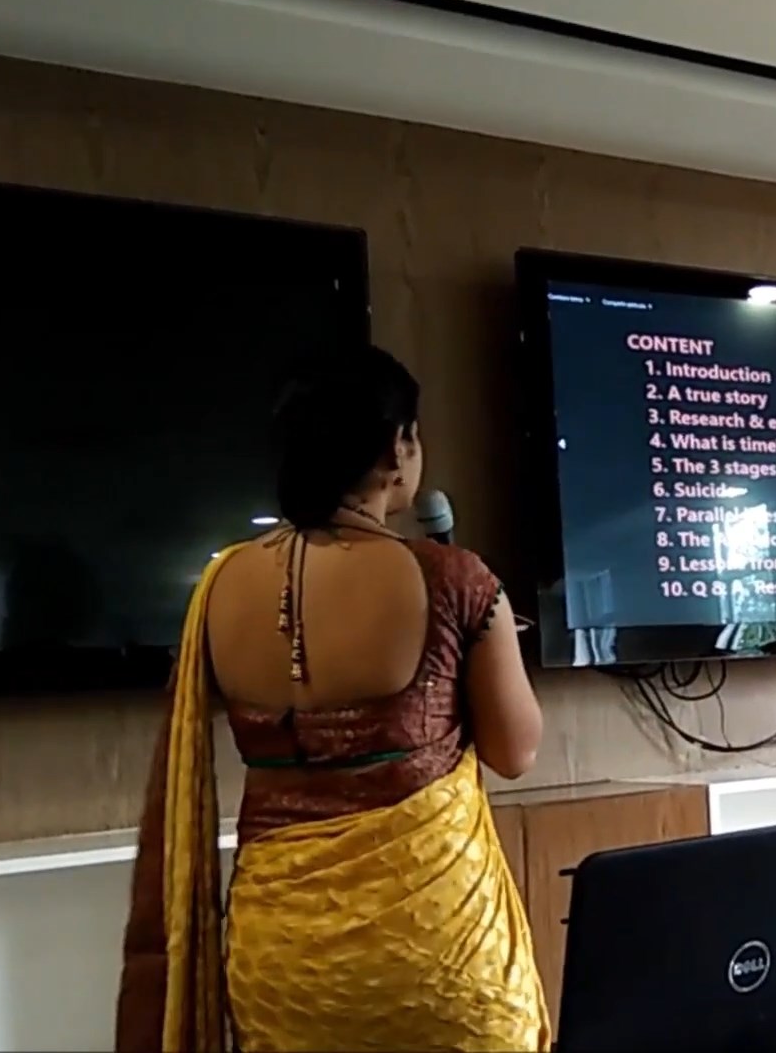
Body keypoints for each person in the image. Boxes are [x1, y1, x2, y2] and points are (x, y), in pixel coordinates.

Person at [117, 345, 548, 1051]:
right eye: (414, 435)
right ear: (395, 450)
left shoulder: (220, 583)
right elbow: (516, 752)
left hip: (280, 960)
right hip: (432, 953)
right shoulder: (453, 578)